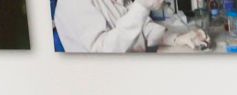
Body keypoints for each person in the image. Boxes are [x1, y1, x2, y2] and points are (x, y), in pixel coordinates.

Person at [54, 0, 207, 53]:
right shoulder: (72, 3)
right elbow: (103, 51)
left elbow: (142, 29)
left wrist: (177, 38)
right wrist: (141, 7)